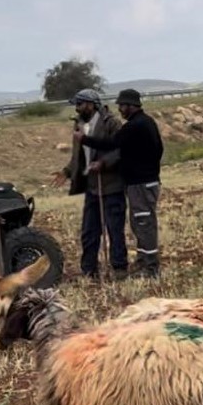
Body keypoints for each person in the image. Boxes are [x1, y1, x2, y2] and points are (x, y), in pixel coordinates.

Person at [75, 88, 164, 279]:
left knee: (143, 223)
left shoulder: (133, 125)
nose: (120, 109)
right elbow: (158, 150)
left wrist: (95, 151)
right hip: (137, 182)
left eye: (122, 105)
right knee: (138, 222)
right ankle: (142, 263)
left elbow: (112, 145)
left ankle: (149, 268)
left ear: (130, 106)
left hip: (138, 184)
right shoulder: (144, 123)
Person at [51, 88, 127, 281]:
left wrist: (104, 163)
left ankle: (119, 268)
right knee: (89, 231)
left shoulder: (111, 123)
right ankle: (89, 270)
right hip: (92, 186)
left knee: (114, 229)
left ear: (91, 104)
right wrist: (67, 171)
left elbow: (120, 150)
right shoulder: (79, 125)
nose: (77, 108)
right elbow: (79, 157)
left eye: (80, 104)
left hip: (111, 184)